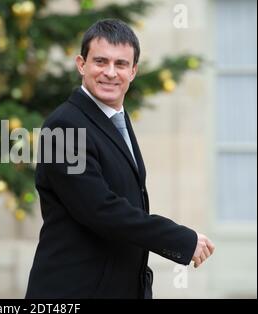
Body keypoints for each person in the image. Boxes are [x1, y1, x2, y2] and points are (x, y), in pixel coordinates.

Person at [25, 18, 215, 299]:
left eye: (121, 64)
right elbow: (100, 209)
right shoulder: (63, 127)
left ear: (134, 71)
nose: (110, 73)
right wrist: (180, 240)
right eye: (100, 61)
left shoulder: (116, 119)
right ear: (81, 64)